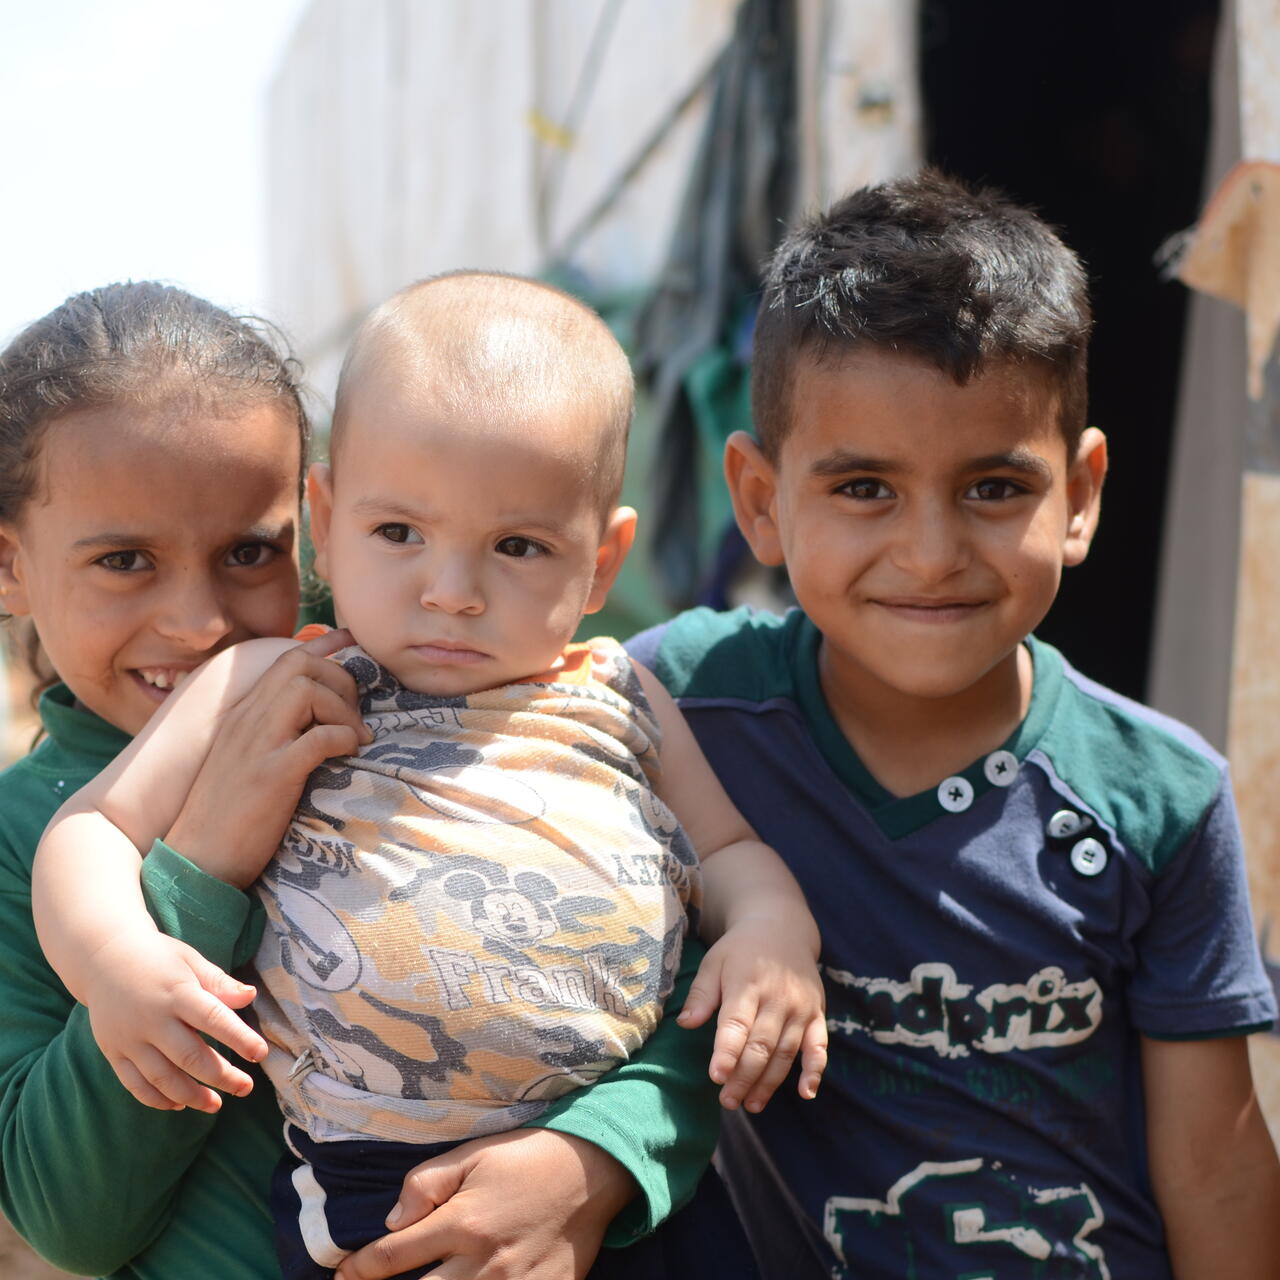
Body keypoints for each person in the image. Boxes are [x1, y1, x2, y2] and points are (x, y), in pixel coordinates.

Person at [32, 272, 827, 1279]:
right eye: (398, 532)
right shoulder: (274, 675)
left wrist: (769, 934)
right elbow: (92, 831)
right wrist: (115, 965)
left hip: (617, 1173)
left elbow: (726, 852)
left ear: (601, 560)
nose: (449, 592)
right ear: (322, 514)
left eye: (517, 546)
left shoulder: (620, 694)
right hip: (382, 1193)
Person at [627, 171, 1280, 1278]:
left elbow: (1213, 1167)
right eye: (865, 489)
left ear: (1077, 495)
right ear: (759, 498)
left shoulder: (1158, 794)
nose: (929, 551)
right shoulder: (679, 704)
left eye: (989, 487)